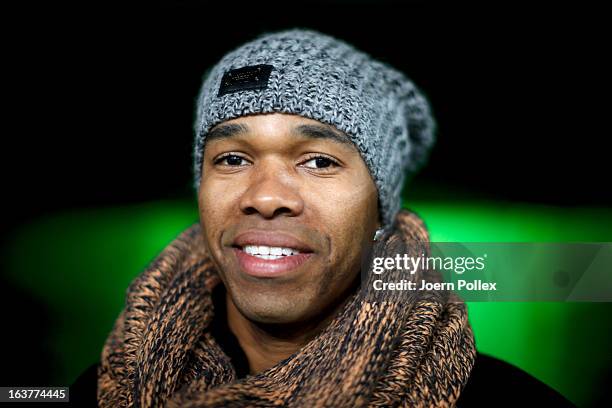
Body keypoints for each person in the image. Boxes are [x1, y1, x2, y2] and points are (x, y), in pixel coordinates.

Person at [70, 28, 574, 407]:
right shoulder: (99, 392)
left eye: (319, 161)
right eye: (232, 159)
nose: (265, 198)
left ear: (381, 208)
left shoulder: (507, 403)